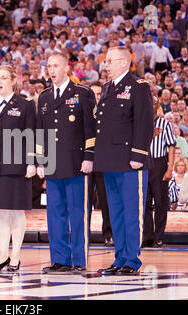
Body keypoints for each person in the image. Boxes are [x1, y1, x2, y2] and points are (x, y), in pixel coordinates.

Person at [94, 46, 154, 276]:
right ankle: (120, 258)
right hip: (110, 161)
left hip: (131, 161)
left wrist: (138, 155)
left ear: (123, 62)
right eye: (105, 61)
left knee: (132, 213)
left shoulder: (138, 86)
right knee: (116, 213)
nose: (105, 65)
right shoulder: (108, 88)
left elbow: (144, 122)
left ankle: (132, 260)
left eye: (109, 61)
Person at [36, 52, 96, 273]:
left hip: (76, 163)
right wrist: (40, 161)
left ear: (66, 69)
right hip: (52, 163)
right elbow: (40, 133)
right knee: (55, 213)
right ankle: (59, 259)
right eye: (49, 66)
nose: (51, 70)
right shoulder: (43, 97)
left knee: (78, 213)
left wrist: (89, 156)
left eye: (56, 65)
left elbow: (90, 128)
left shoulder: (82, 93)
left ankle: (79, 260)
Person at [0, 65, 36, 273]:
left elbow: (31, 133)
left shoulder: (25, 104)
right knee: (2, 213)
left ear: (13, 80)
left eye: (3, 77)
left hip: (17, 164)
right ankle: (3, 255)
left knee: (16, 211)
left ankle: (16, 256)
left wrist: (31, 161)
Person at [143, 99, 176, 248]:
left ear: (158, 107)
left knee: (161, 201)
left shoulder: (165, 124)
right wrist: (150, 134)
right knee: (145, 202)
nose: (151, 106)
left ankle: (159, 236)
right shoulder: (139, 121)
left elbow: (171, 146)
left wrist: (169, 169)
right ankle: (147, 236)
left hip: (159, 163)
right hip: (142, 163)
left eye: (154, 104)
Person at [88, 81, 113, 247]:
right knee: (83, 202)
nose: (96, 98)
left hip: (104, 163)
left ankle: (109, 234)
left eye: (99, 94)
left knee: (107, 201)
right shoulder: (82, 112)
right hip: (86, 163)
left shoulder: (109, 113)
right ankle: (83, 234)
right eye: (93, 94)